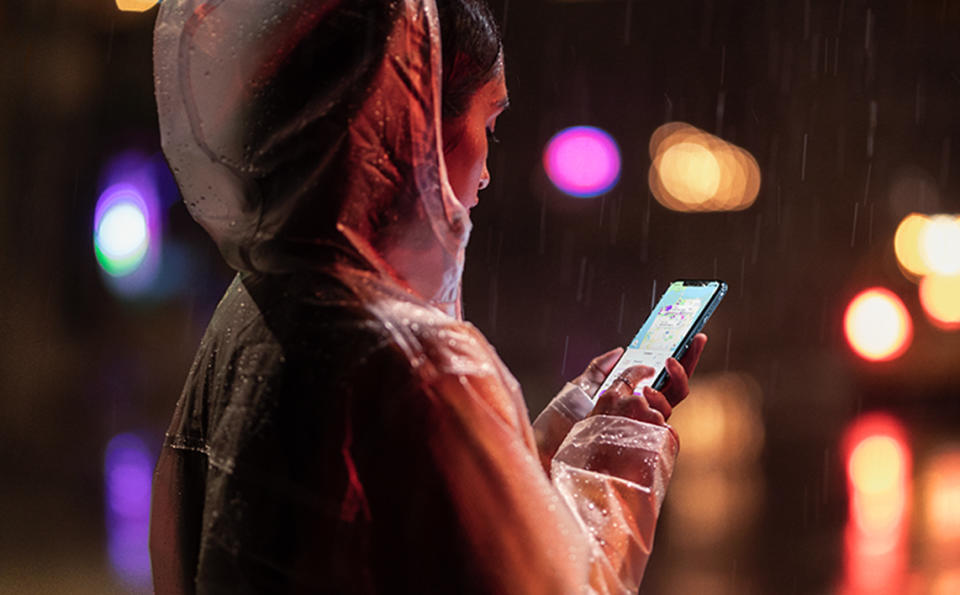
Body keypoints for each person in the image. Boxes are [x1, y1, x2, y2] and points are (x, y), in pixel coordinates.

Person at [149, 1, 707, 594]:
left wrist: (571, 422)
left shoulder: (254, 307)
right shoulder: (421, 362)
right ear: (408, 121)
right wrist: (618, 446)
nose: (487, 170)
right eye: (487, 125)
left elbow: (431, 519)